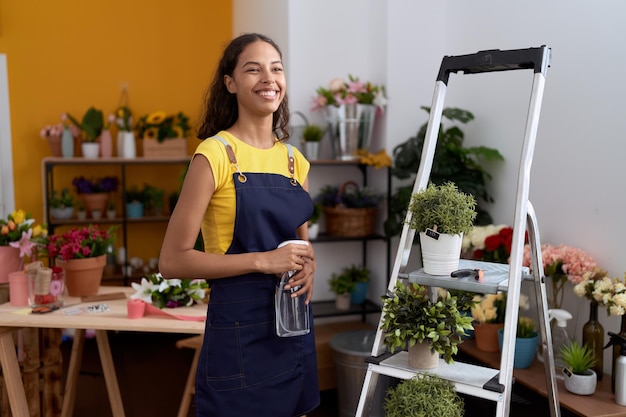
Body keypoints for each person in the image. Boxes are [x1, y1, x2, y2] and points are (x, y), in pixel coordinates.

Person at [159, 33, 319, 417]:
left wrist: (309, 264)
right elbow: (172, 261)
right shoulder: (215, 154)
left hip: (292, 323)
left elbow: (301, 246)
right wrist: (263, 261)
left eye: (276, 69)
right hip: (239, 332)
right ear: (230, 83)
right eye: (253, 69)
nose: (269, 78)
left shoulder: (295, 161)